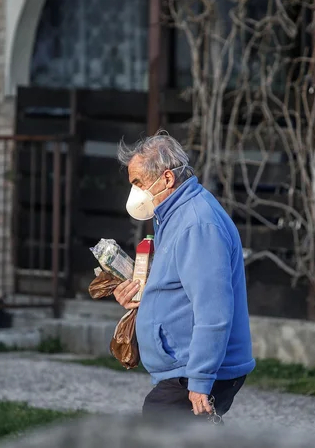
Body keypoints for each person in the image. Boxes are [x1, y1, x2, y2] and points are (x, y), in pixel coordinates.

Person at [113, 131, 255, 421]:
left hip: (196, 371)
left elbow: (213, 310)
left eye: (138, 183)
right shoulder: (174, 214)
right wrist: (142, 295)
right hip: (186, 368)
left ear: (166, 179)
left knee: (157, 427)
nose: (135, 192)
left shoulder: (197, 224)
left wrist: (200, 380)